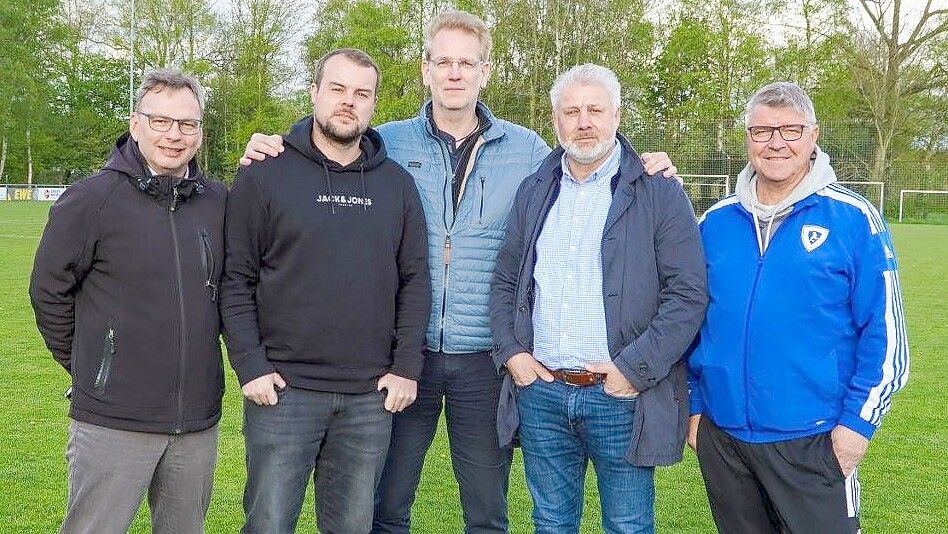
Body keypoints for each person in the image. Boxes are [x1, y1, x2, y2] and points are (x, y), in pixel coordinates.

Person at [239, 12, 680, 534]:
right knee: (386, 503)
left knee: (487, 509)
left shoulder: (529, 151)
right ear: (425, 69)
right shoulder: (387, 144)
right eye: (442, 61)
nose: (454, 73)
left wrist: (648, 162)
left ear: (484, 71)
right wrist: (272, 144)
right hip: (404, 356)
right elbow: (326, 145)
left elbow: (589, 161)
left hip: (484, 358)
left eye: (466, 63)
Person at [489, 63, 708, 534]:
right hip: (542, 392)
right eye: (572, 111)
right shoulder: (534, 191)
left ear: (617, 115)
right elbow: (506, 281)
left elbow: (688, 294)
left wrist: (634, 369)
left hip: (620, 394)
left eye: (595, 109)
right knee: (550, 521)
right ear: (555, 120)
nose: (583, 121)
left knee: (628, 525)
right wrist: (512, 354)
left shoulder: (659, 193)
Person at [219, 48, 430, 534]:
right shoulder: (264, 174)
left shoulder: (396, 184)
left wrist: (404, 368)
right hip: (283, 393)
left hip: (368, 398)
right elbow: (236, 279)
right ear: (314, 92)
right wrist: (251, 366)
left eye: (361, 93)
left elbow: (415, 280)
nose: (348, 102)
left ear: (374, 104)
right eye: (337, 88)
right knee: (269, 523)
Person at [687, 81, 909, 533]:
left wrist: (855, 428)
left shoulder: (852, 218)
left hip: (815, 438)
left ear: (814, 135)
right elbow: (689, 319)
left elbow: (886, 338)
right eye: (762, 131)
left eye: (790, 130)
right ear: (747, 138)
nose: (776, 143)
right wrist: (694, 406)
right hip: (725, 439)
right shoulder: (714, 222)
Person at [30, 68, 225, 533]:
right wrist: (95, 365)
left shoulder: (219, 201)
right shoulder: (92, 199)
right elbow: (48, 291)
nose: (174, 135)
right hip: (113, 421)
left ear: (200, 131)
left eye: (188, 124)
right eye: (161, 121)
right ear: (136, 124)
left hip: (196, 422)